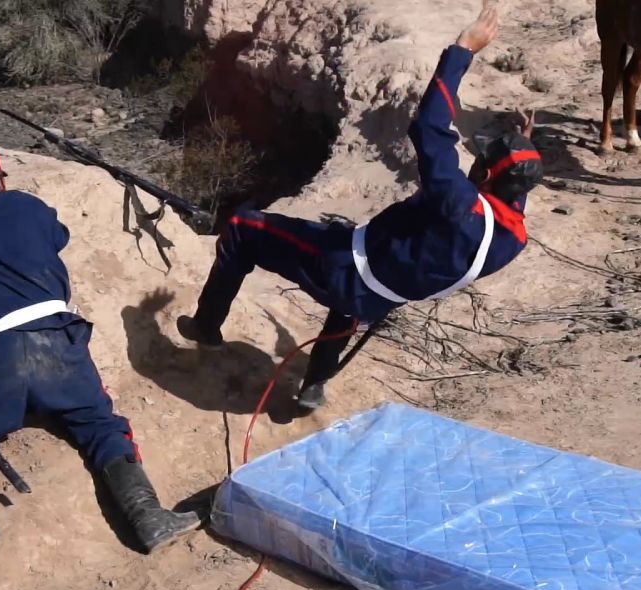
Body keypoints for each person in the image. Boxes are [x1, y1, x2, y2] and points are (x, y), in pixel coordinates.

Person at [179, 0, 542, 410]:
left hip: (344, 270)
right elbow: (512, 194)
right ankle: (314, 383)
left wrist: (462, 50)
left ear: (487, 174)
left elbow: (429, 127)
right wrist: (523, 146)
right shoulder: (513, 238)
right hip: (381, 296)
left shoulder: (455, 200)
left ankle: (205, 326)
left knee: (244, 229)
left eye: (480, 162)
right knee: (356, 298)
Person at [0, 146, 199, 563]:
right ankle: (149, 517)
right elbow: (57, 236)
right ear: (0, 180)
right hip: (58, 336)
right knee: (100, 425)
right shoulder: (29, 205)